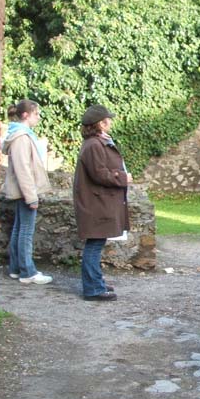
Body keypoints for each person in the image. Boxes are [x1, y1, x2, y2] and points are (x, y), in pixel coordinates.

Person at [73, 104, 131, 301]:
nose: (111, 122)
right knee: (94, 245)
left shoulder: (96, 143)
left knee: (96, 244)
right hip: (96, 204)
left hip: (99, 202)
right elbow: (99, 174)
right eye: (108, 119)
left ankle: (96, 283)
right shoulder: (94, 145)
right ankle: (93, 289)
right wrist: (122, 177)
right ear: (100, 123)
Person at [3, 99, 52, 285]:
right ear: (26, 115)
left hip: (22, 191)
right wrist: (31, 196)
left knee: (19, 228)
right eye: (36, 114)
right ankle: (27, 271)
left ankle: (16, 268)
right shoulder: (21, 138)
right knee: (25, 231)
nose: (38, 117)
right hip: (25, 191)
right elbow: (23, 169)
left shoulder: (18, 135)